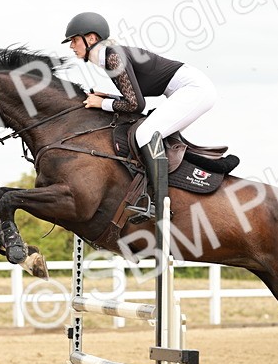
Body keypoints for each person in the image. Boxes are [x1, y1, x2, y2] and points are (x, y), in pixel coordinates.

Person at [62, 11, 217, 217]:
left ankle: (159, 205)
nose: (72, 46)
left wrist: (103, 103)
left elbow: (135, 104)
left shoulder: (112, 56)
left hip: (194, 89)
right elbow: (134, 98)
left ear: (91, 38)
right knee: (153, 134)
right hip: (185, 90)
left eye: (74, 40)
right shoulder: (109, 56)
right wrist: (107, 97)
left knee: (145, 134)